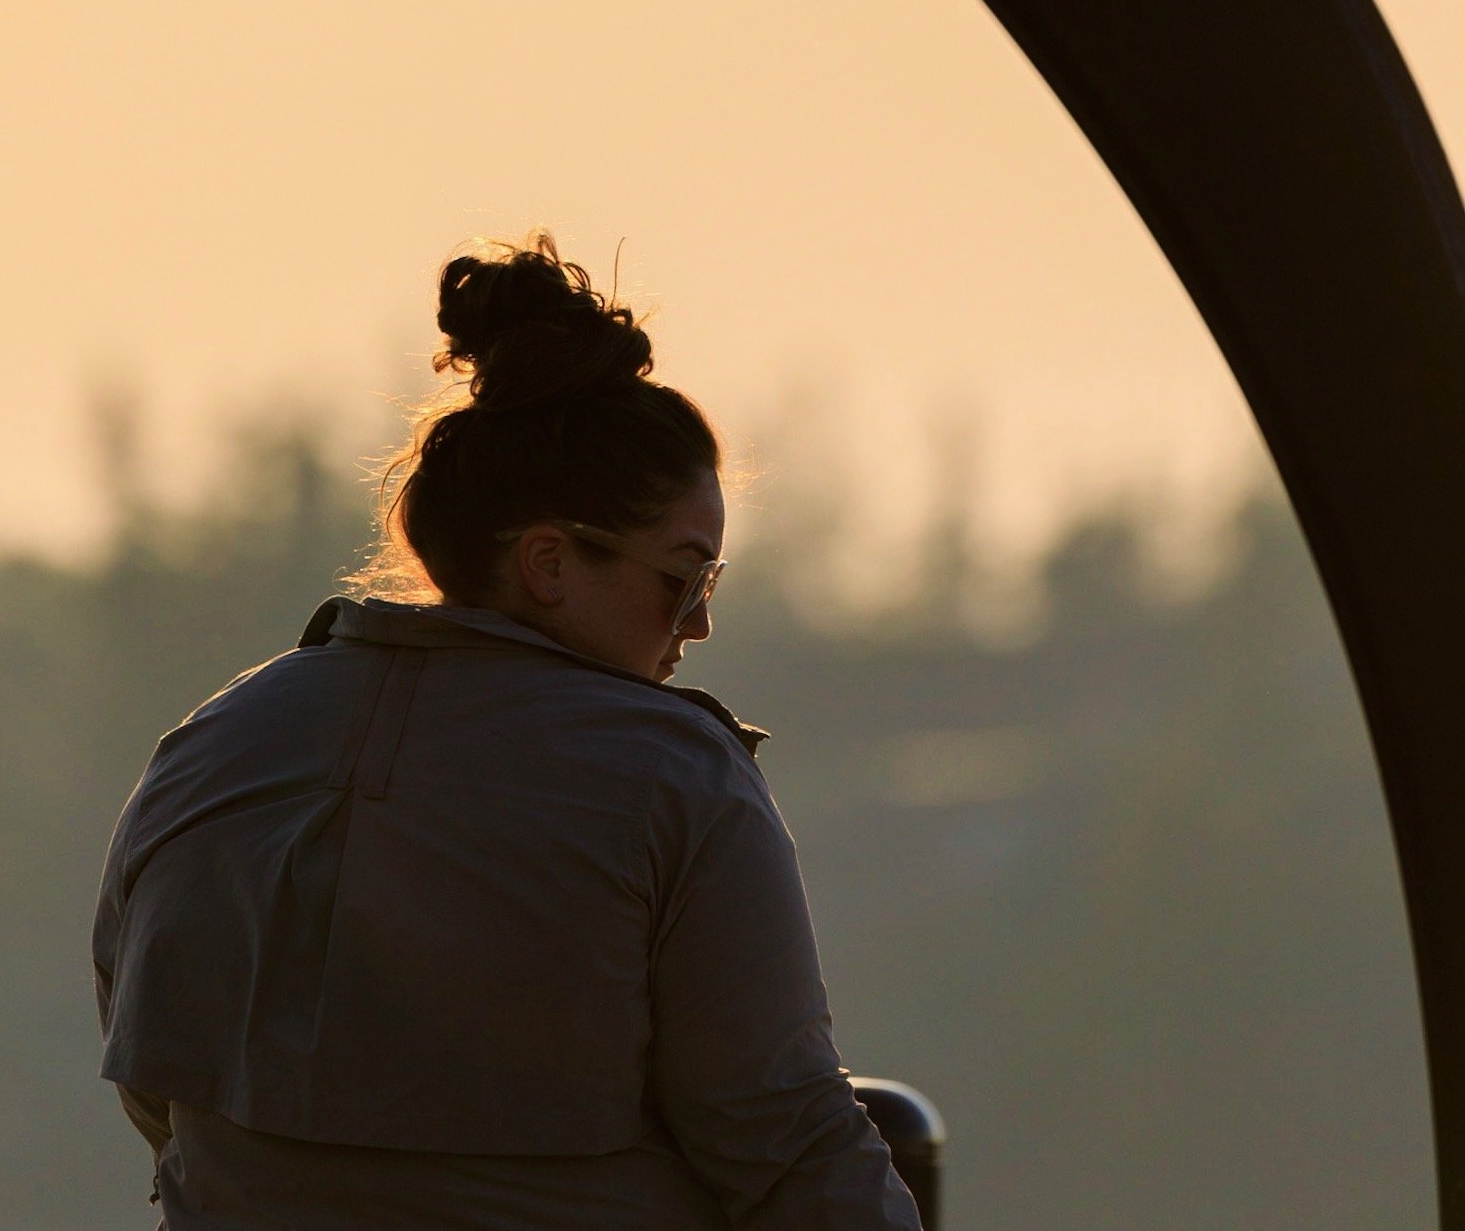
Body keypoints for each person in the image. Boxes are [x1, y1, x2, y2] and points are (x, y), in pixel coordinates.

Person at [93, 233, 919, 1230]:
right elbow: (782, 1140)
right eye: (683, 576)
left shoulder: (214, 747)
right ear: (547, 560)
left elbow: (157, 1085)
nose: (695, 623)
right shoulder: (674, 782)